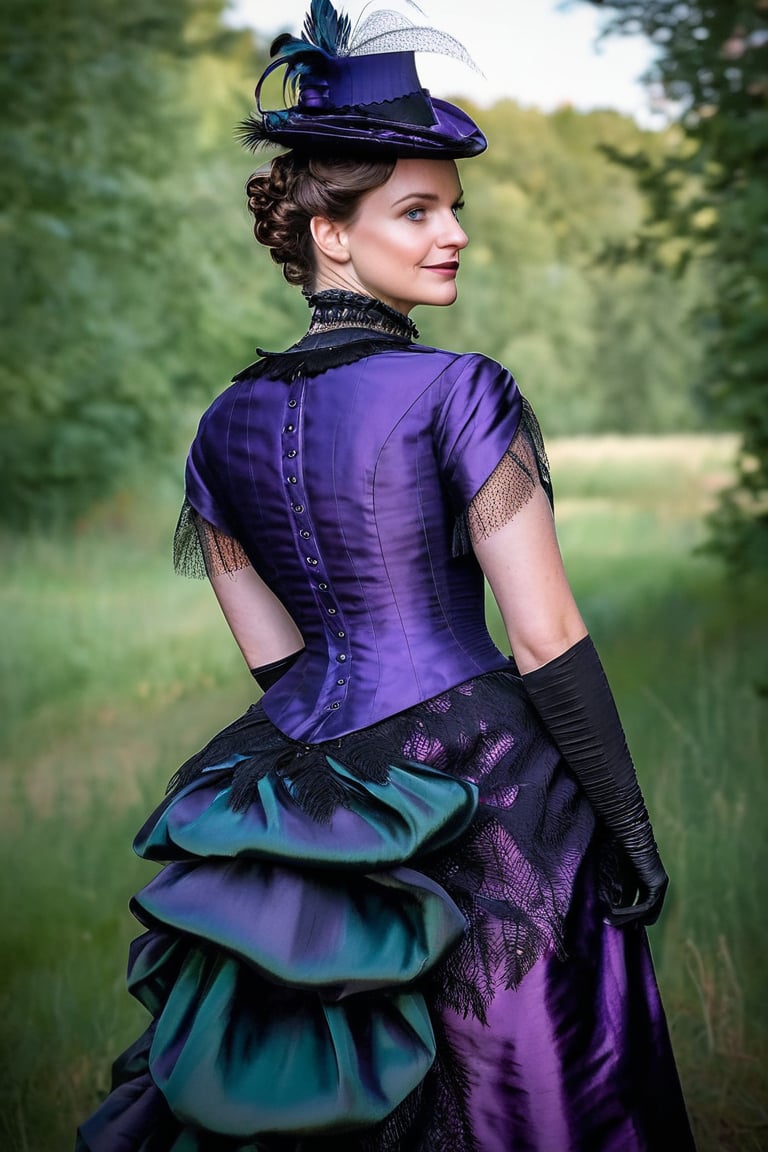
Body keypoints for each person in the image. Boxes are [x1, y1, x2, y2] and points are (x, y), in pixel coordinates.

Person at [77, 2, 696, 1149]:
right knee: (520, 1088)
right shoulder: (465, 393)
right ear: (331, 233)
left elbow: (274, 661)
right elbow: (546, 634)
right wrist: (629, 824)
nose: (452, 233)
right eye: (416, 210)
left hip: (304, 794)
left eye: (454, 208)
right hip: (493, 791)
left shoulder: (220, 426)